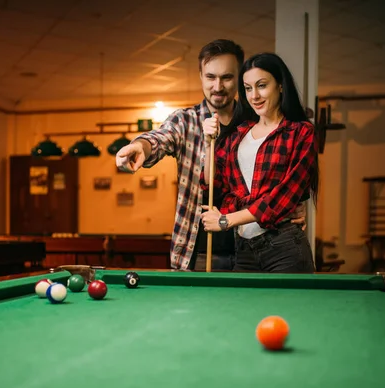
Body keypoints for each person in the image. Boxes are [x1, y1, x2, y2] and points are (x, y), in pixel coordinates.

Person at [115, 40, 306, 271]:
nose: (218, 86)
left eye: (227, 77)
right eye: (210, 77)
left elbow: (282, 173)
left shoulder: (255, 120)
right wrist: (140, 146)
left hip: (250, 247)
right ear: (200, 76)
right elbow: (161, 138)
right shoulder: (185, 120)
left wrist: (293, 206)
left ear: (239, 78)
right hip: (199, 251)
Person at [200, 52, 318, 273]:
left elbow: (283, 196)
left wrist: (226, 220)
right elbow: (213, 184)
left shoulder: (300, 133)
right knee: (239, 309)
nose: (254, 95)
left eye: (262, 85)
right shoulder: (237, 135)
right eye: (248, 88)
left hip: (284, 247)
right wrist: (208, 144)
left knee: (285, 310)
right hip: (244, 249)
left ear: (280, 86)